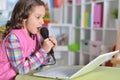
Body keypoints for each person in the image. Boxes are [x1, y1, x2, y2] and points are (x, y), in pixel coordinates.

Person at [0, 0, 57, 80]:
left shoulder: (35, 36)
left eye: (43, 17)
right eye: (38, 17)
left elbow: (37, 63)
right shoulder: (13, 38)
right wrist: (43, 51)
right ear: (24, 17)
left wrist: (48, 51)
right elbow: (21, 69)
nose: (42, 22)